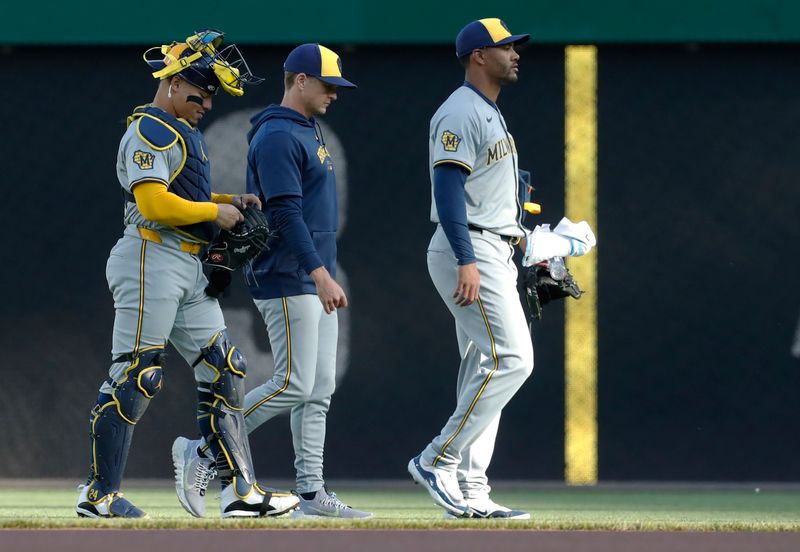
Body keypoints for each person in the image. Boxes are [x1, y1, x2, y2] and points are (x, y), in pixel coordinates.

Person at [76, 29, 299, 519]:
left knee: (226, 368)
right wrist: (213, 214)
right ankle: (98, 495)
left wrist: (226, 201)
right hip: (149, 257)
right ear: (174, 84)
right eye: (201, 92)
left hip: (184, 263)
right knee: (138, 373)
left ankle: (241, 492)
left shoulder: (182, 131)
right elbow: (152, 201)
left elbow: (184, 194)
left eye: (212, 94)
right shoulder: (151, 128)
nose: (208, 102)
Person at [172, 43, 372, 519]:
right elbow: (284, 213)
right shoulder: (278, 135)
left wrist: (321, 270)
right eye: (328, 85)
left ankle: (311, 492)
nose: (335, 94)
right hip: (289, 274)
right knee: (293, 382)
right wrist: (319, 273)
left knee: (318, 387)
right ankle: (203, 450)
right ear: (300, 81)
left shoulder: (307, 127)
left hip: (309, 271)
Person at [407, 18, 596, 519]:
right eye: (504, 47)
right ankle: (437, 459)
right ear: (477, 56)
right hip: (466, 250)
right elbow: (447, 190)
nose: (515, 54)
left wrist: (527, 238)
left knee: (482, 367)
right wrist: (467, 258)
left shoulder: (489, 113)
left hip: (494, 249)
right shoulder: (460, 111)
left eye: (515, 47)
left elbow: (486, 195)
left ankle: (471, 487)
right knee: (514, 359)